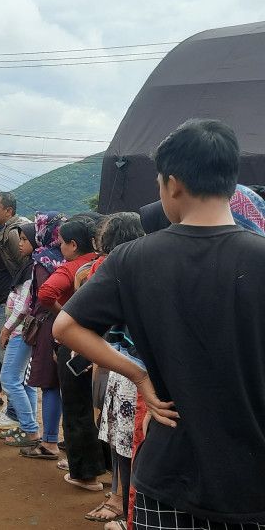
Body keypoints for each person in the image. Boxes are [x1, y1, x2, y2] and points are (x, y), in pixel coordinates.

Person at [55, 119, 265, 529]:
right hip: (252, 479)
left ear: (173, 184)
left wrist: (140, 377)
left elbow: (65, 328)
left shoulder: (132, 258)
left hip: (169, 470)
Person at [82, 212, 146, 526]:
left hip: (130, 366)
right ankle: (119, 497)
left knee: (127, 439)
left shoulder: (117, 267)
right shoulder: (135, 264)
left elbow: (79, 320)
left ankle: (122, 502)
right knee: (123, 438)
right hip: (129, 362)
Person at [37, 216, 104, 490]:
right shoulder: (102, 262)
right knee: (97, 408)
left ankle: (84, 473)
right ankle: (96, 465)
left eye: (63, 243)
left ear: (73, 245)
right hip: (103, 345)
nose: (60, 248)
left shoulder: (72, 269)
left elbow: (45, 293)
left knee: (76, 408)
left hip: (76, 344)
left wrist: (65, 315)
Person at [18, 212, 65, 461]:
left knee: (49, 384)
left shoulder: (42, 259)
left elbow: (44, 297)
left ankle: (49, 442)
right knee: (64, 384)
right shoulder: (69, 258)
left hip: (49, 325)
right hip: (73, 326)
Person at [0, 191, 28, 428]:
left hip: (8, 302)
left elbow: (21, 270)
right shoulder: (4, 231)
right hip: (3, 300)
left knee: (9, 359)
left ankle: (13, 414)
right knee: (7, 359)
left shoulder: (12, 234)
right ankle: (11, 408)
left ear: (8, 211)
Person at [0, 222, 39, 445]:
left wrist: (6, 329)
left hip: (21, 331)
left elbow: (23, 306)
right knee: (23, 381)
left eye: (24, 239)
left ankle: (31, 430)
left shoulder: (33, 268)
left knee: (10, 379)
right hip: (23, 331)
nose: (20, 244)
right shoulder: (31, 264)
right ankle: (26, 427)